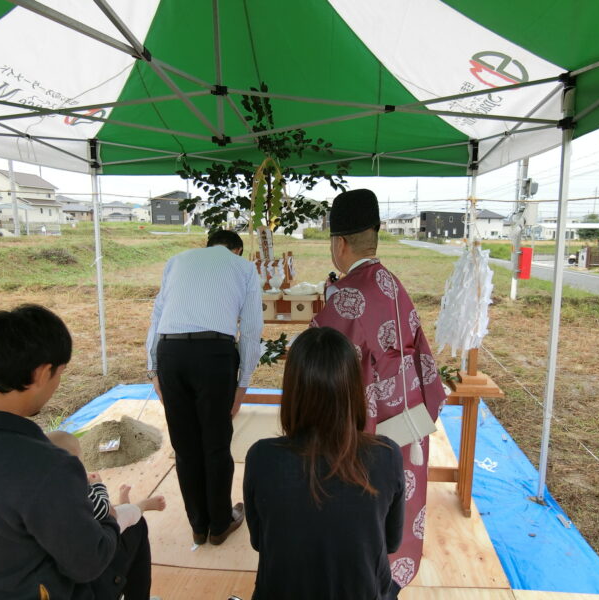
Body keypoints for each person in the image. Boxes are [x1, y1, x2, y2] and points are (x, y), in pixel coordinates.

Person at [0, 304, 153, 599]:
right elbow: (88, 562)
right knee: (131, 528)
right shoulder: (47, 465)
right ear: (43, 373)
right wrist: (109, 516)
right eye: (59, 373)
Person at [312, 189, 447, 591]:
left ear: (339, 243)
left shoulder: (350, 294)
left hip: (369, 429)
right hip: (406, 423)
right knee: (396, 510)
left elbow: (317, 357)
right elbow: (421, 353)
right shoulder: (390, 283)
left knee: (361, 514)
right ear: (375, 235)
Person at [244, 326, 405, 600]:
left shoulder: (261, 457)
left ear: (293, 389)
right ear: (353, 388)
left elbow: (260, 541)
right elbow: (391, 543)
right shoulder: (386, 455)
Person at [146, 229, 263, 546]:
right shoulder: (243, 267)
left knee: (185, 447)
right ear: (236, 249)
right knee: (215, 444)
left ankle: (198, 525)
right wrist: (243, 384)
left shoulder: (177, 261)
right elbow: (252, 330)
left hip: (171, 353)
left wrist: (153, 368)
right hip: (214, 355)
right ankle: (220, 524)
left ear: (207, 246)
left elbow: (157, 316)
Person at [47, 430, 167, 530]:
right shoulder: (76, 487)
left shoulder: (46, 485)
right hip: (94, 536)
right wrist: (97, 485)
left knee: (106, 507)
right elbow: (103, 510)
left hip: (71, 531)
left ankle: (123, 504)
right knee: (128, 512)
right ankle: (143, 506)